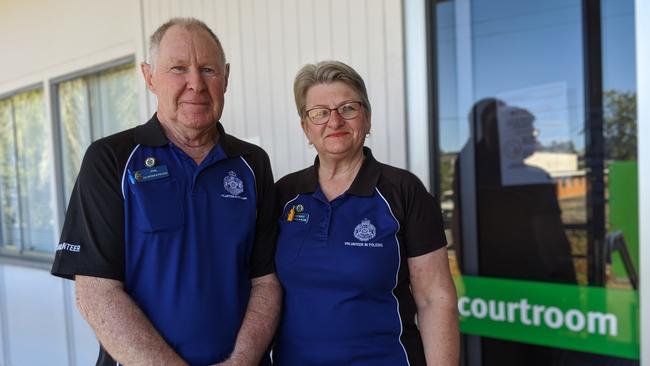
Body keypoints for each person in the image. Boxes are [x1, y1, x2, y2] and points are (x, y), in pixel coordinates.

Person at [50, 18, 280, 366]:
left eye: (208, 69)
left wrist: (240, 362)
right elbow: (95, 292)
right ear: (149, 77)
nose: (196, 84)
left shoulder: (251, 164)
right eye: (178, 68)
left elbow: (265, 281)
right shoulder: (110, 159)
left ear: (226, 77)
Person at [273, 60, 459, 365]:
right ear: (306, 128)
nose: (334, 122)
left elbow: (435, 299)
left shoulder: (403, 191)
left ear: (367, 119)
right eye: (319, 113)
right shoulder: (284, 195)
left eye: (348, 108)